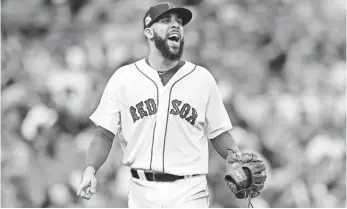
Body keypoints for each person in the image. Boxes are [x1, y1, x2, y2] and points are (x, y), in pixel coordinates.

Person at [77, 2, 250, 207]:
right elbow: (104, 134)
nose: (175, 25)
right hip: (141, 190)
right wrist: (90, 169)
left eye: (179, 22)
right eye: (166, 21)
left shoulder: (202, 78)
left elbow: (219, 133)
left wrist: (236, 158)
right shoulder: (124, 78)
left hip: (190, 189)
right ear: (149, 32)